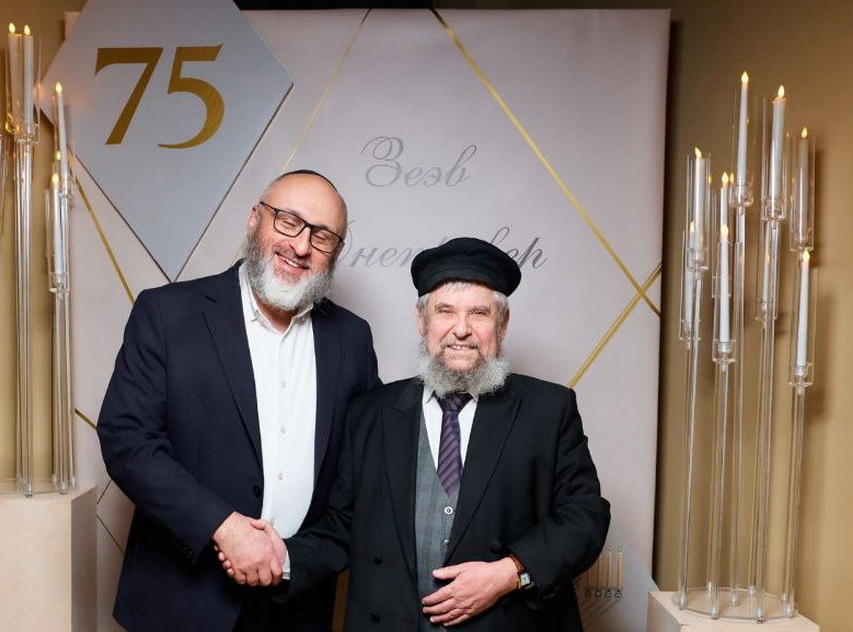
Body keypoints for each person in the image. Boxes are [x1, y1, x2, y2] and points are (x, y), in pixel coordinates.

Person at [236, 236, 609, 630]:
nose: (461, 330)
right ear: (422, 320)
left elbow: (585, 516)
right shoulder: (370, 413)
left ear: (502, 324)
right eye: (445, 311)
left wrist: (509, 572)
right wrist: (281, 559)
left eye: (479, 313)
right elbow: (342, 527)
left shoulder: (548, 410)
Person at [97, 170, 380, 631]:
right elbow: (127, 441)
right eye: (289, 221)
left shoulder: (352, 339)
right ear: (254, 219)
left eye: (323, 236)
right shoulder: (167, 313)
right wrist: (223, 527)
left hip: (296, 606)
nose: (301, 246)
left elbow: (362, 473)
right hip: (181, 601)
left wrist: (294, 561)